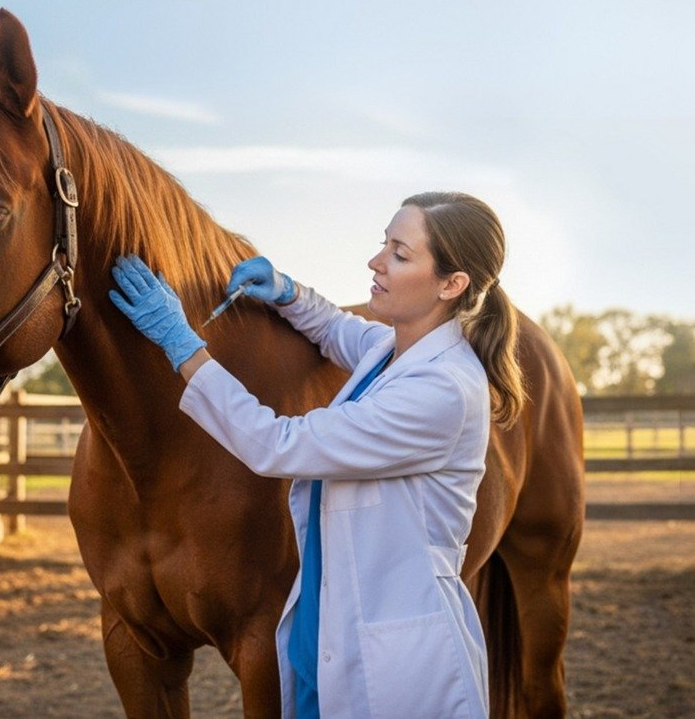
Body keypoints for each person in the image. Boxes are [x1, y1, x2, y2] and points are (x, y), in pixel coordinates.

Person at [108, 191, 525, 718]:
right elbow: (336, 330)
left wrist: (182, 346)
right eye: (384, 244)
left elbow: (280, 445)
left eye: (400, 254)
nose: (376, 262)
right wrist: (286, 292)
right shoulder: (393, 350)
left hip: (394, 657)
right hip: (329, 627)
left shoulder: (440, 390)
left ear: (451, 284)